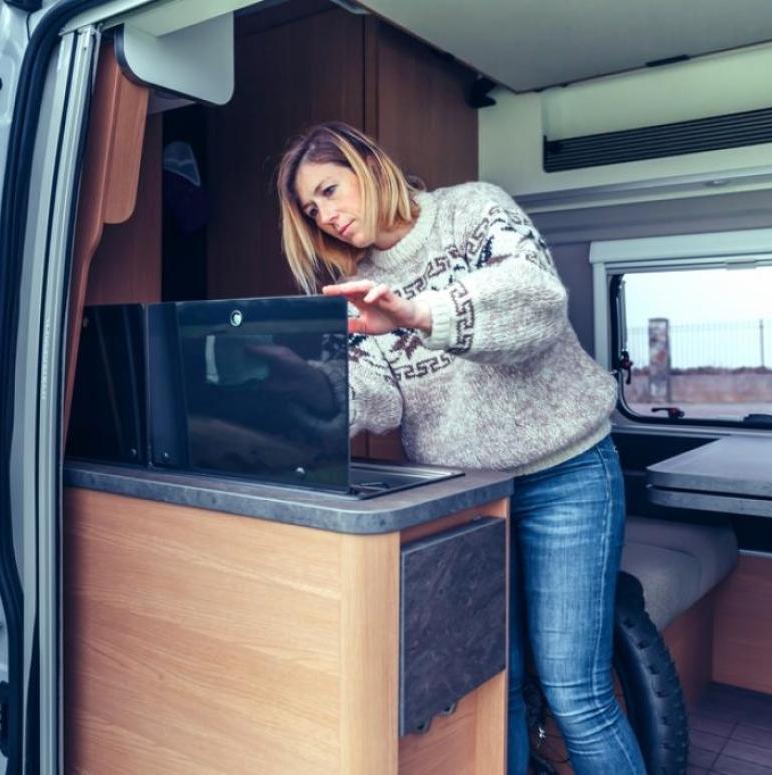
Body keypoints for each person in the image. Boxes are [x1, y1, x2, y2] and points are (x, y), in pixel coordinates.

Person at [276, 122, 645, 774]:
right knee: (489, 685)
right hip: (468, 498)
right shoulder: (357, 286)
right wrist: (310, 382)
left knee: (575, 694)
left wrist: (418, 314)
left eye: (329, 190)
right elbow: (380, 401)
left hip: (568, 475)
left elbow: (536, 306)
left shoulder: (474, 210)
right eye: (312, 209)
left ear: (368, 165)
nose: (327, 215)